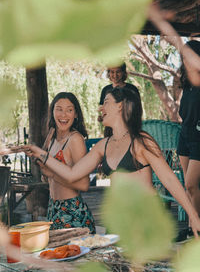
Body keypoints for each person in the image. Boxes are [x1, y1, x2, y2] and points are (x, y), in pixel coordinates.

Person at [24, 87, 200, 237]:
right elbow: (72, 174)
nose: (101, 108)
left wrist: (193, 215)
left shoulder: (140, 141)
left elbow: (169, 179)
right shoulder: (104, 145)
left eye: (106, 102)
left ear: (120, 106)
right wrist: (41, 154)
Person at [38, 92, 95, 233]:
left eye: (69, 110)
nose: (63, 115)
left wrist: (50, 174)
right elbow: (49, 178)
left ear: (75, 114)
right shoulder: (51, 139)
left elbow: (84, 184)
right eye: (59, 109)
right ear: (52, 112)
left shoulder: (75, 139)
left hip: (71, 211)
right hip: (53, 209)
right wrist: (45, 175)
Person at [177, 40, 200, 236]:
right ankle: (192, 227)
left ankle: (198, 227)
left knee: (192, 184)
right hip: (184, 134)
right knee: (187, 186)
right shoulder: (187, 83)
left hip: (198, 136)